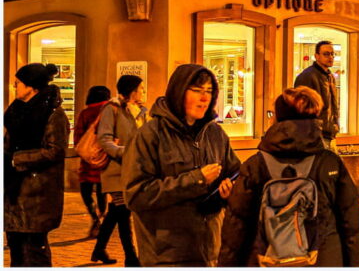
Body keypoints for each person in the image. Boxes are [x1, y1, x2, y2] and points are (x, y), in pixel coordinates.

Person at [219, 87, 359, 266]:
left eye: (272, 113)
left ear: (280, 119)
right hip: (324, 259)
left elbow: (236, 228)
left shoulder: (255, 165)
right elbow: (351, 226)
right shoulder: (330, 164)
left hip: (266, 260)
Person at [123, 64, 240, 266]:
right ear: (179, 92)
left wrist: (230, 192)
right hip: (166, 255)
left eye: (209, 92)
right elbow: (136, 195)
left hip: (210, 250)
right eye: (196, 91)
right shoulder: (150, 135)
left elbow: (235, 173)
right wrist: (196, 179)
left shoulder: (215, 134)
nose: (204, 98)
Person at [3, 63, 70, 266]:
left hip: (37, 195)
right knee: (17, 252)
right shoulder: (16, 111)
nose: (15, 87)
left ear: (31, 87)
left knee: (34, 254)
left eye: (18, 84)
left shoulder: (53, 114)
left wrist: (16, 159)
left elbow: (55, 151)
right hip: (14, 191)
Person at [92, 74, 147, 266]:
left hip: (135, 170)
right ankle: (131, 258)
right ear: (131, 91)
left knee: (117, 210)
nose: (143, 91)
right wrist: (125, 152)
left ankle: (99, 249)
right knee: (124, 211)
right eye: (140, 88)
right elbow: (104, 139)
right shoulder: (112, 109)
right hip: (116, 170)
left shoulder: (141, 112)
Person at [75, 85, 111, 239]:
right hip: (105, 159)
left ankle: (94, 217)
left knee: (86, 191)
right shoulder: (110, 112)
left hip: (88, 160)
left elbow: (78, 136)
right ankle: (101, 216)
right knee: (102, 191)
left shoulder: (85, 113)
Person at [295, 40, 340, 150]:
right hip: (315, 136)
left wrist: (335, 125)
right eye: (326, 54)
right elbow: (301, 109)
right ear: (316, 56)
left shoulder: (330, 76)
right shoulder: (308, 76)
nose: (330, 57)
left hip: (329, 134)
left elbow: (333, 106)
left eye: (332, 54)